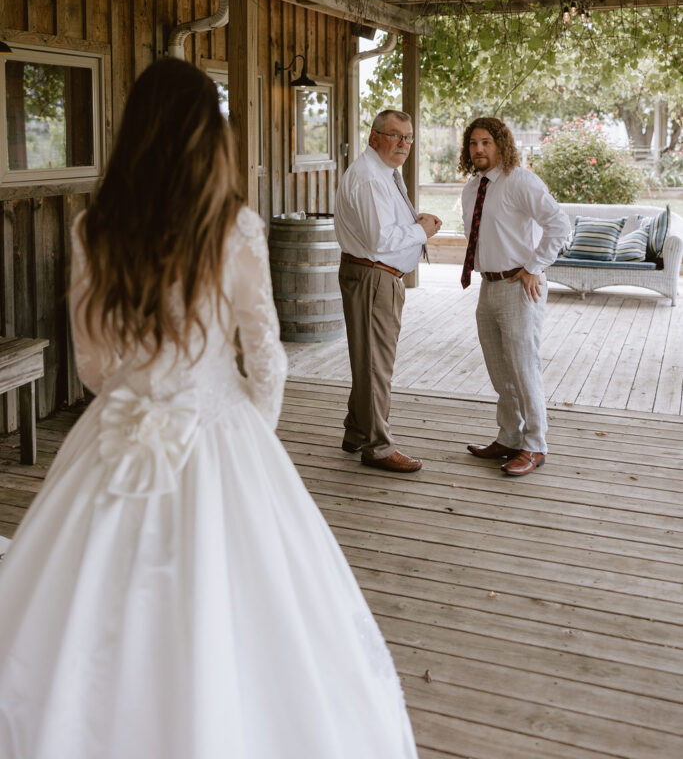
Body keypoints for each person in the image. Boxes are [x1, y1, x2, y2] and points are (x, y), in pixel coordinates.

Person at [0, 60, 419, 759]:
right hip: (218, 431)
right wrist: (244, 427)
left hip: (117, 431)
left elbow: (94, 367)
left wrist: (143, 393)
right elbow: (267, 355)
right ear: (209, 136)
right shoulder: (235, 225)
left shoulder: (91, 227)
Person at [459, 116, 570, 477]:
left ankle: (535, 444)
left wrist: (536, 266)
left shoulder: (520, 180)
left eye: (486, 142)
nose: (478, 149)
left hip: (520, 287)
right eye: (473, 143)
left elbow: (559, 225)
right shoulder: (472, 189)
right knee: (499, 371)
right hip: (487, 286)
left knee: (524, 370)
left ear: (501, 144)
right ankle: (509, 437)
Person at [334, 109, 441, 473]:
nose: (404, 144)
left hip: (380, 277)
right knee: (376, 364)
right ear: (375, 136)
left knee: (372, 359)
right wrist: (422, 232)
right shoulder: (368, 178)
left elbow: (386, 226)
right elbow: (380, 239)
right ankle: (378, 447)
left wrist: (417, 224)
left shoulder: (385, 174)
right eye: (396, 135)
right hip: (372, 276)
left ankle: (357, 430)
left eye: (408, 137)